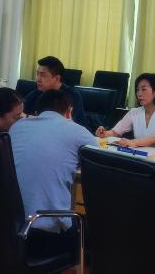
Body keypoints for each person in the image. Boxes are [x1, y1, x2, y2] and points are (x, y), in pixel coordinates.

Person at [9, 89, 97, 256]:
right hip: (47, 231)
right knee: (92, 228)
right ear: (69, 111)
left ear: (38, 111)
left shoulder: (17, 127)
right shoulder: (78, 131)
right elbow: (96, 167)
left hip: (9, 226)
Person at [95, 73, 155, 147]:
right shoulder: (134, 112)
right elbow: (115, 132)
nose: (139, 94)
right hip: (141, 153)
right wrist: (104, 133)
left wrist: (132, 142)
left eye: (143, 89)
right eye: (137, 90)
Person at [21, 56, 85, 126]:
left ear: (57, 78)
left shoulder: (72, 96)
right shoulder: (36, 93)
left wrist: (28, 117)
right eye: (37, 74)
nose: (38, 79)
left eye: (43, 75)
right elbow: (20, 113)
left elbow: (64, 123)